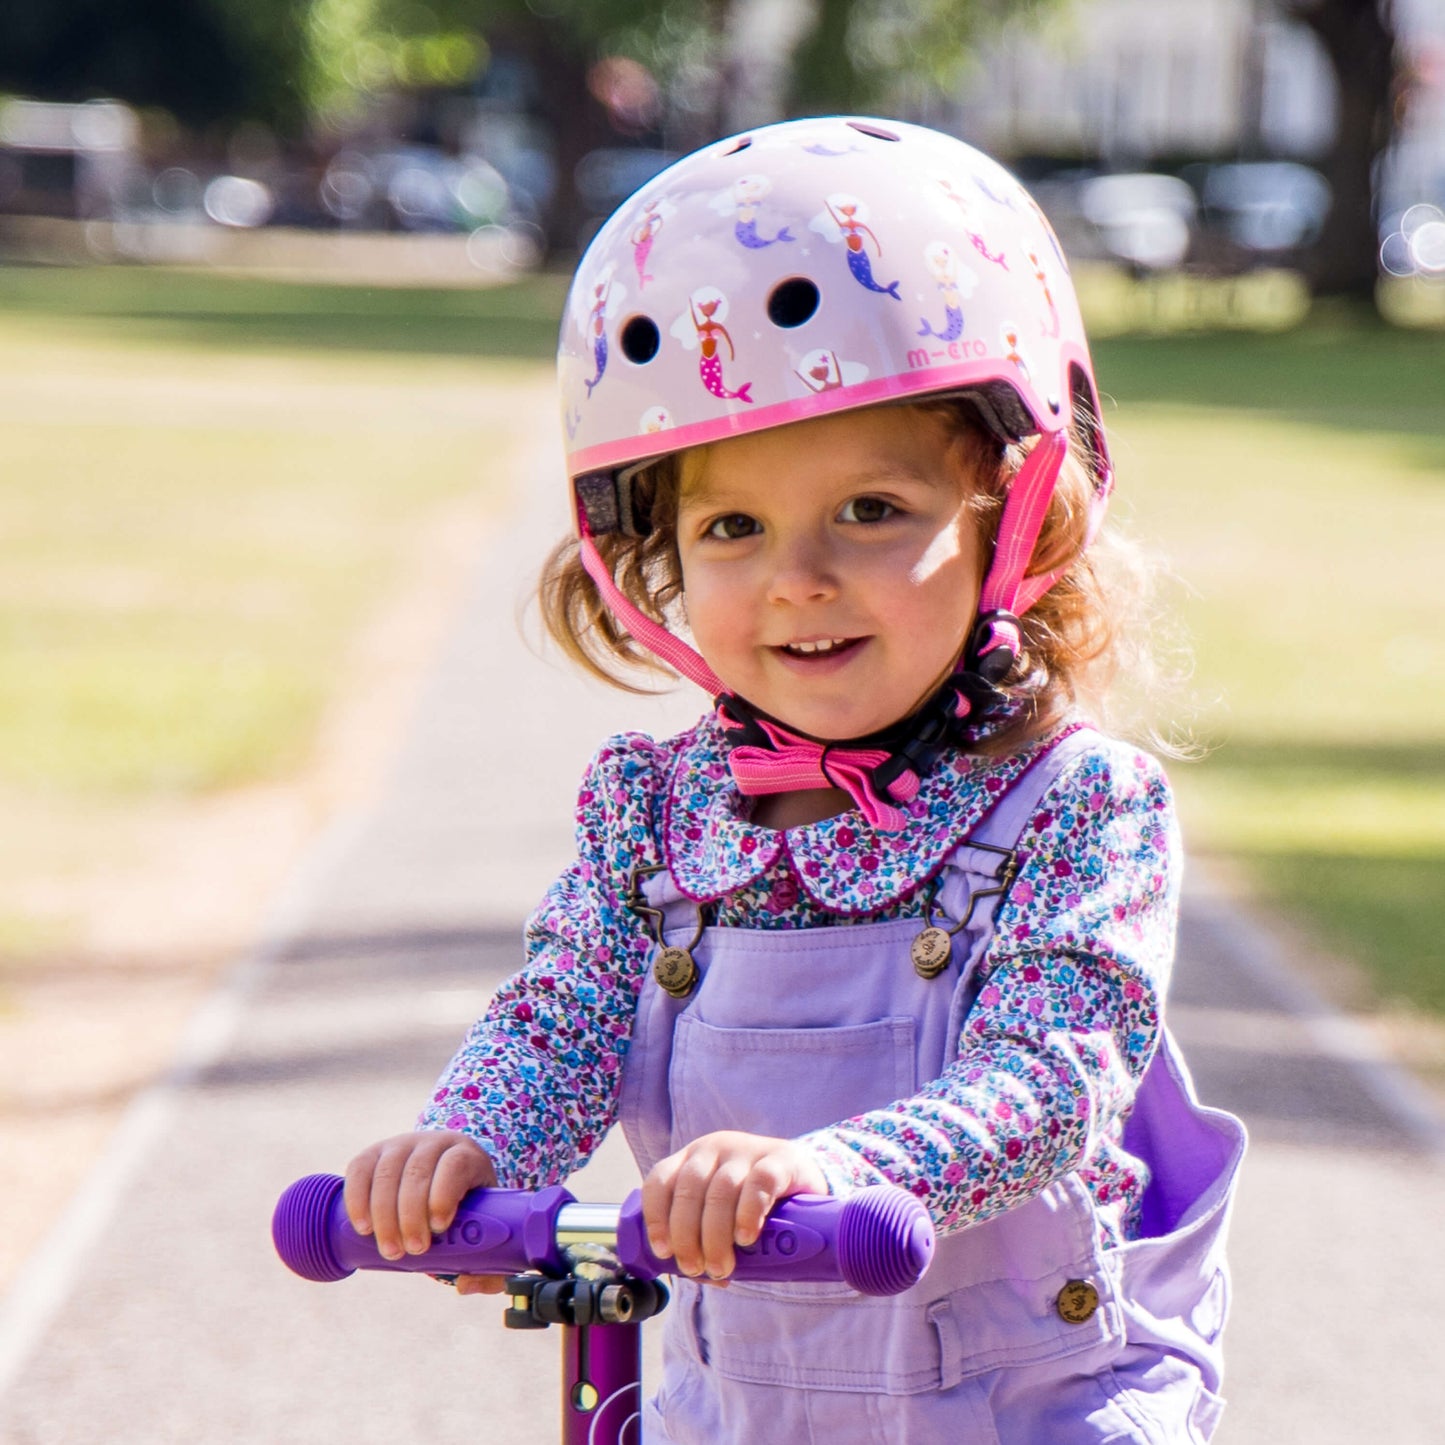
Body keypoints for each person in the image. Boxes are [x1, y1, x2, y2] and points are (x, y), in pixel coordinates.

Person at [343, 116, 1246, 1443]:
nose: (797, 576)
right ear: (652, 556)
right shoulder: (650, 817)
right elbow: (561, 1016)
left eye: (871, 510)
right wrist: (473, 1147)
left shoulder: (1075, 807)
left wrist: (828, 1168)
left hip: (1022, 1411)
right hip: (743, 1406)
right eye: (731, 527)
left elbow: (1052, 1080)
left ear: (1014, 515)